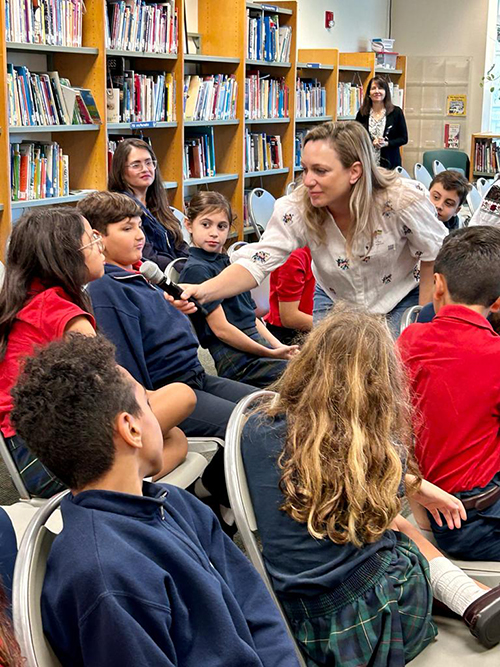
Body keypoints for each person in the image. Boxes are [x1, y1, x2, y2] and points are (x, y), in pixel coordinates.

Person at [10, 333, 301, 667]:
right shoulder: (106, 578)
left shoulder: (174, 502)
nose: (154, 407)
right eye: (148, 402)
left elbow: (253, 602)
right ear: (131, 429)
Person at [242, 304, 500, 664]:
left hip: (302, 619)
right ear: (380, 382)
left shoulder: (256, 430)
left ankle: (466, 595)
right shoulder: (371, 446)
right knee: (397, 526)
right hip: (369, 622)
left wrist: (413, 482)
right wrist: (414, 482)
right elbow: (378, 513)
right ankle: (465, 594)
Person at [77, 191, 256, 517]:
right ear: (98, 238)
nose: (140, 234)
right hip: (168, 391)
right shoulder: (105, 288)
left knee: (268, 407)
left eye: (139, 225)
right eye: (127, 228)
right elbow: (125, 365)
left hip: (195, 378)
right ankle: (219, 493)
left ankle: (217, 490)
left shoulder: (138, 274)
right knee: (253, 427)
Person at [176, 121, 446, 336]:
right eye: (305, 169)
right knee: (332, 380)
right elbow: (257, 262)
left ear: (355, 171)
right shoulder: (297, 207)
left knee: (391, 375)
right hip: (336, 297)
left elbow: (432, 254)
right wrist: (205, 290)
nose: (308, 181)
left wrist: (420, 320)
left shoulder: (402, 199)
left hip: (399, 296)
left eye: (320, 171)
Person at [0, 208, 193, 498]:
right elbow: (111, 388)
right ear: (64, 254)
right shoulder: (62, 312)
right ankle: (112, 491)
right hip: (48, 458)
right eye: (91, 237)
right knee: (182, 398)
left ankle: (119, 484)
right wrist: (145, 398)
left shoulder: (30, 300)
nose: (99, 243)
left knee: (174, 436)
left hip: (30, 452)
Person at [398, 226, 500, 561]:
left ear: (438, 285)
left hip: (445, 507)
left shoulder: (410, 340)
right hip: (477, 520)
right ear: (496, 303)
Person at [179, 191, 297, 388]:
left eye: (221, 226)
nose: (214, 233)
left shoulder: (230, 263)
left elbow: (252, 318)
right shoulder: (197, 270)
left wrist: (280, 348)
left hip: (255, 345)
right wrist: (269, 353)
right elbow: (222, 330)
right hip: (236, 359)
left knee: (307, 368)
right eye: (205, 224)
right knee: (304, 381)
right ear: (189, 225)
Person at [108, 138, 189, 269]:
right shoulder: (120, 209)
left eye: (149, 163)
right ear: (121, 172)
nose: (145, 169)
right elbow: (147, 257)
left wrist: (191, 262)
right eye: (136, 165)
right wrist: (184, 267)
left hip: (177, 270)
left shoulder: (157, 203)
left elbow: (179, 243)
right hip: (155, 276)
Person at [263, 247, 315, 345]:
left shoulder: (325, 250)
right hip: (290, 334)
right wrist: (332, 326)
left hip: (314, 325)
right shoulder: (295, 257)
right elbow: (289, 318)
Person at [355, 76, 408, 169]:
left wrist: (387, 143)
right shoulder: (362, 113)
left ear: (386, 92)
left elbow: (404, 138)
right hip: (368, 163)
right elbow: (356, 136)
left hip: (390, 163)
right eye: (373, 88)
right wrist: (371, 142)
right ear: (368, 93)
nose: (377, 91)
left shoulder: (396, 112)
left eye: (380, 88)